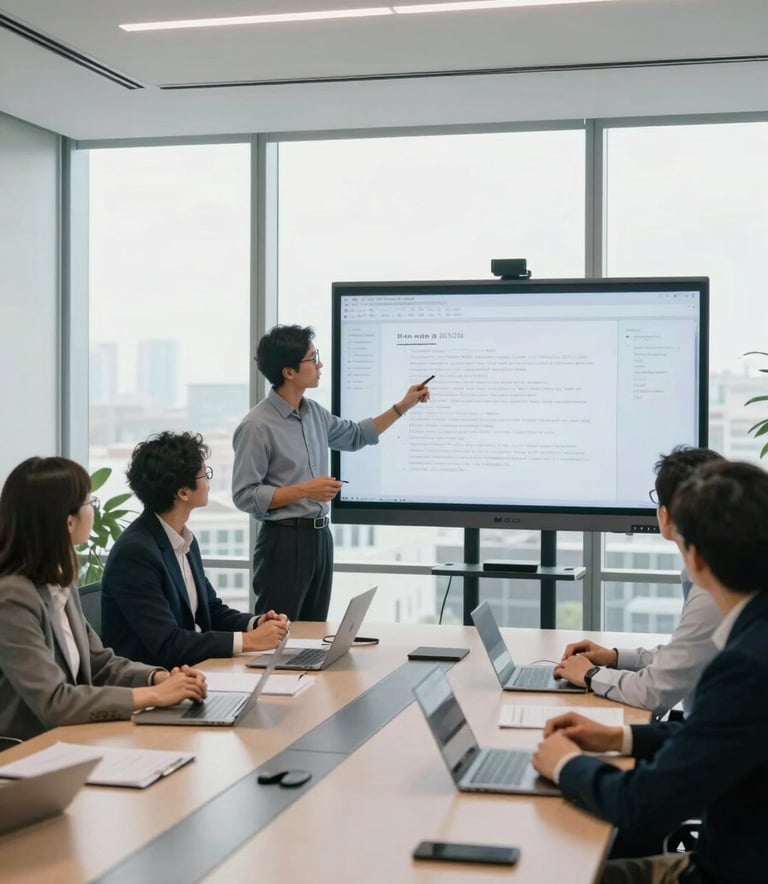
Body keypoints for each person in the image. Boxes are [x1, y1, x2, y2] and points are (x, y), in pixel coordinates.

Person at [533, 460, 768, 884]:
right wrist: (620, 736)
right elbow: (720, 733)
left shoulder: (744, 667)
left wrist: (565, 764)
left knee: (554, 868)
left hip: (724, 871)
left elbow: (644, 804)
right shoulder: (755, 635)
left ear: (694, 557)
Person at [0, 456, 208, 741]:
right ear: (68, 522)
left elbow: (101, 664)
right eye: (90, 503)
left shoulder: (59, 583)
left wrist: (159, 678)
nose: (93, 511)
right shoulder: (12, 598)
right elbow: (55, 702)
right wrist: (153, 695)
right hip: (26, 754)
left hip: (72, 741)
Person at [232, 324, 430, 621]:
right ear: (289, 372)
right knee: (277, 636)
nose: (320, 365)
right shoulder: (257, 426)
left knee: (313, 633)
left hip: (319, 538)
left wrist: (404, 405)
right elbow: (245, 495)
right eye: (313, 358)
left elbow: (355, 436)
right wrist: (305, 490)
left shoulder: (313, 412)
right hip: (283, 542)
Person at [554, 446, 723, 719]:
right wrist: (615, 657)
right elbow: (686, 656)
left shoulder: (713, 590)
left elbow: (653, 693)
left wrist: (590, 675)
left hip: (716, 741)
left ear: (664, 516)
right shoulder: (716, 573)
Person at [102, 432, 289, 669]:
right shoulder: (135, 554)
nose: (209, 482)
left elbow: (211, 611)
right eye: (204, 474)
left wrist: (255, 623)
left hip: (191, 671)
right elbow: (168, 643)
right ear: (182, 492)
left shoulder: (183, 539)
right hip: (154, 684)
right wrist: (249, 641)